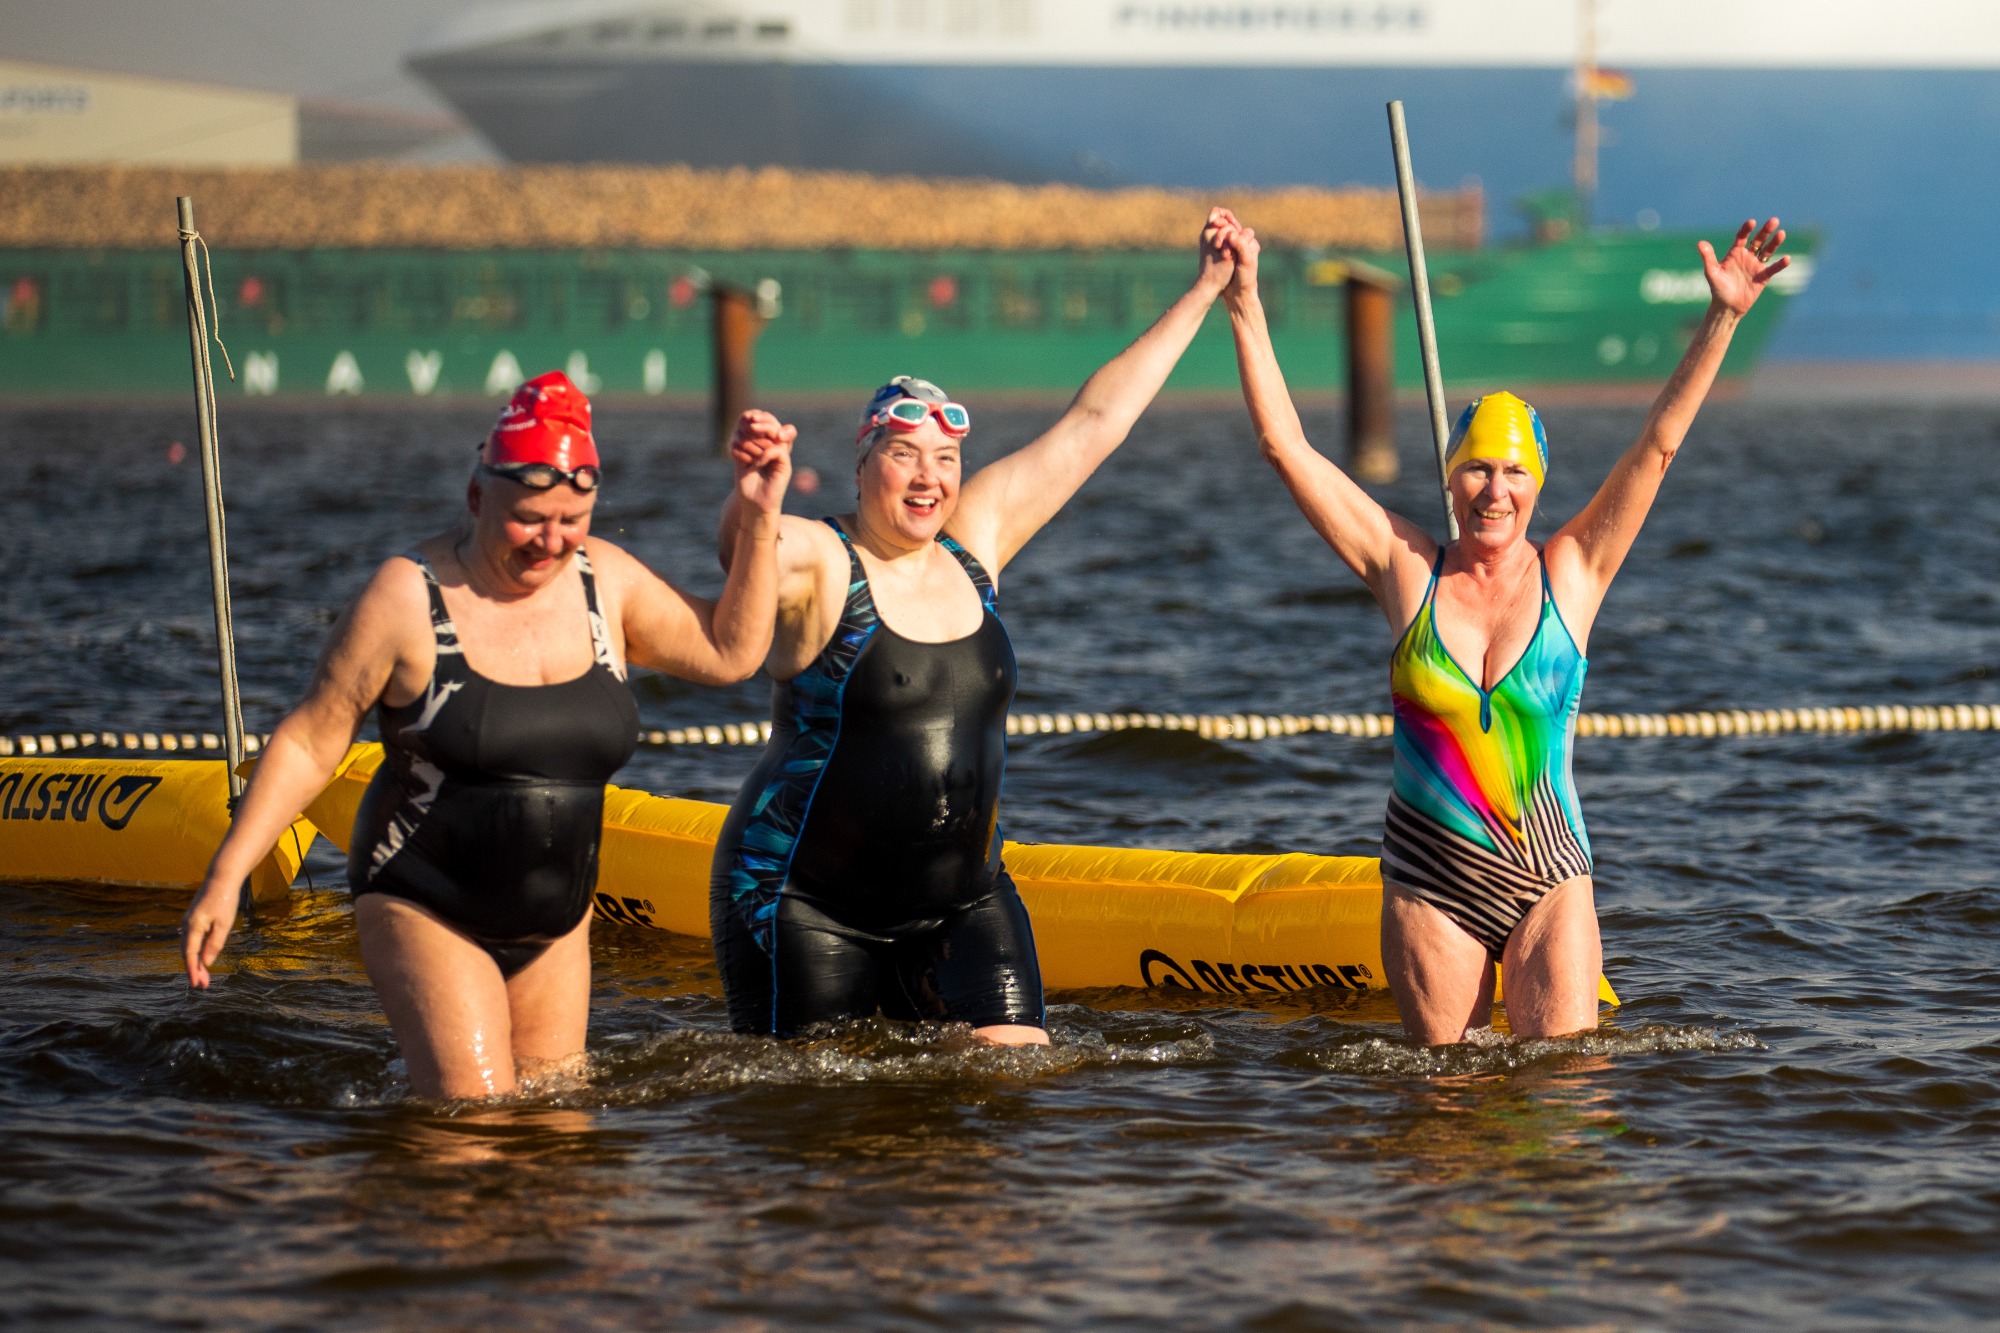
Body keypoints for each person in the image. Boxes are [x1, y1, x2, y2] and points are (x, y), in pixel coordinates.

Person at [1221, 210, 1791, 1044]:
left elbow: (1658, 446)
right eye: (1478, 470)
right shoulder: (1406, 570)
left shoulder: (1574, 572)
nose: (1496, 491)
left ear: (1538, 483)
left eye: (1515, 472)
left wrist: (1722, 318)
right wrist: (1244, 299)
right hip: (1429, 879)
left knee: (1564, 1088)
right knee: (1442, 1099)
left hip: (1547, 880)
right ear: (1452, 480)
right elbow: (1286, 446)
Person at [708, 209, 1245, 1043]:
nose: (928, 478)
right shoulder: (823, 556)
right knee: (817, 1103)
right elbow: (746, 554)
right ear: (862, 465)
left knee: (1016, 1076)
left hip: (960, 900)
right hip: (806, 902)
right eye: (904, 455)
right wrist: (754, 498)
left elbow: (1096, 421)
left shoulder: (974, 544)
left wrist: (1206, 289)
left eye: (945, 459)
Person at [181, 371, 791, 1097]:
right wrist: (225, 879)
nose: (550, 542)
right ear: (476, 496)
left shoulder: (605, 581)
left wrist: (759, 515)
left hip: (556, 922)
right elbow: (312, 740)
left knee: (556, 1132)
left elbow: (730, 651)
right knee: (473, 1121)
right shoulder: (408, 595)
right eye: (529, 519)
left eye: (573, 520)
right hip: (426, 899)